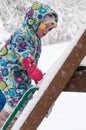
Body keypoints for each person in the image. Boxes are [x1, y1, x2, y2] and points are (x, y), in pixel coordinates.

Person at [0, 1, 58, 129]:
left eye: (50, 29)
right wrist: (31, 68)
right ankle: (6, 121)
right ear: (34, 22)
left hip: (19, 75)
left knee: (24, 94)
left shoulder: (34, 38)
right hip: (8, 73)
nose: (47, 31)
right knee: (17, 98)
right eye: (45, 27)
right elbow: (24, 52)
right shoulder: (23, 34)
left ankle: (18, 116)